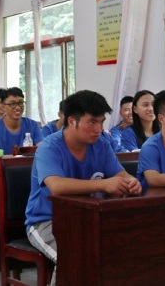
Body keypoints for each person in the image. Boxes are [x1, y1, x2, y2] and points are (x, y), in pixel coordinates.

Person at [25, 90, 141, 269]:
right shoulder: (49, 147)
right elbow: (57, 186)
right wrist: (104, 184)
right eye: (92, 122)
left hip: (89, 218)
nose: (99, 129)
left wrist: (132, 182)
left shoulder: (101, 145)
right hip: (47, 220)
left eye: (101, 122)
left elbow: (121, 175)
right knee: (74, 255)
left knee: (129, 244)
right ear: (72, 121)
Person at [0, 87, 43, 153]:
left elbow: (42, 150)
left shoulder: (33, 125)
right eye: (12, 104)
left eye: (20, 103)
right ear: (3, 107)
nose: (17, 107)